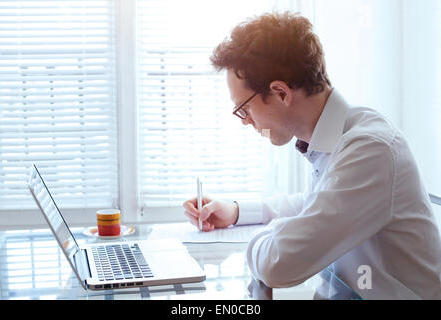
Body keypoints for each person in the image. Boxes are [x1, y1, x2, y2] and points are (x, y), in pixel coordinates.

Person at [183, 12, 441, 299]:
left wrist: (260, 238)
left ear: (280, 93)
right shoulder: (336, 138)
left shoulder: (370, 150)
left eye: (244, 109)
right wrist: (237, 212)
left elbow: (278, 265)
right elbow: (315, 205)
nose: (245, 121)